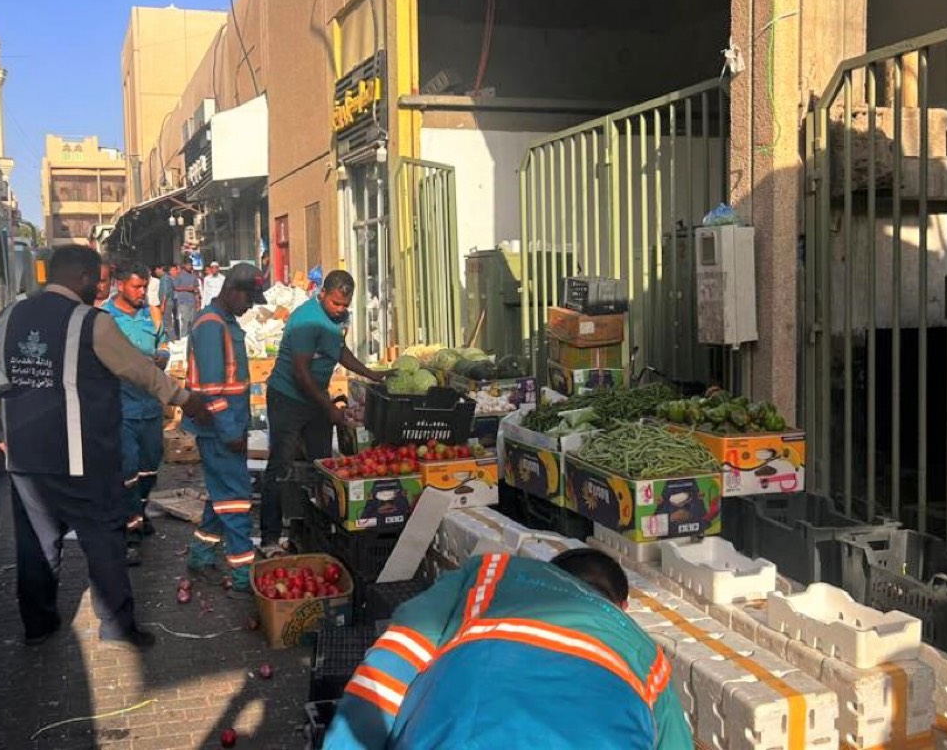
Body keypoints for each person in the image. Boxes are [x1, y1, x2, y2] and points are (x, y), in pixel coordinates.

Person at [0, 245, 211, 651]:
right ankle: (117, 625)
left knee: (36, 545)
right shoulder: (91, 322)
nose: (101, 289)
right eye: (98, 280)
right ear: (84, 278)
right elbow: (139, 369)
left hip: (25, 459)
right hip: (83, 458)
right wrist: (184, 398)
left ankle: (37, 625)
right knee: (104, 539)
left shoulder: (6, 319)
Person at [324, 549, 692, 749]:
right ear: (623, 607)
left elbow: (397, 657)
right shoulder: (647, 656)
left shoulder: (493, 572)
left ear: (549, 572)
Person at [261, 269, 386, 556]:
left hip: (315, 397)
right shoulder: (306, 321)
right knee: (280, 466)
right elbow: (301, 373)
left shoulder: (337, 319)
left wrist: (371, 374)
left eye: (345, 305)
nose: (340, 309)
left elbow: (338, 350)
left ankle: (310, 533)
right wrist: (329, 408)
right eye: (335, 303)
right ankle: (270, 539)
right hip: (288, 398)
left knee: (321, 466)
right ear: (322, 294)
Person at [184, 263, 267, 598]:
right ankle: (243, 573)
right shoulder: (211, 325)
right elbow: (211, 390)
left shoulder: (225, 322)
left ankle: (201, 555)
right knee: (235, 500)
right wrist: (231, 431)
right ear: (232, 290)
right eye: (248, 299)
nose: (250, 306)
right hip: (220, 430)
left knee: (222, 495)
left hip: (229, 426)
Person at [103, 262, 168, 567]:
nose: (142, 292)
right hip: (120, 409)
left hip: (150, 407)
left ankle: (139, 511)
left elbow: (163, 344)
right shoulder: (104, 318)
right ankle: (131, 532)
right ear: (120, 285)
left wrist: (161, 357)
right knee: (127, 469)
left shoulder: (151, 314)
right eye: (136, 286)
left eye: (145, 286)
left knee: (149, 469)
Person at [174, 259, 200, 337]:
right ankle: (183, 340)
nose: (190, 266)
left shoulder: (194, 276)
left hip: (193, 302)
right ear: (184, 265)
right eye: (188, 265)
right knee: (185, 322)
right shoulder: (179, 275)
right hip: (183, 302)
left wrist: (198, 302)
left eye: (191, 265)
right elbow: (176, 287)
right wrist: (188, 289)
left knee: (193, 323)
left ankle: (191, 340)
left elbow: (196, 289)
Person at [160, 263, 178, 340]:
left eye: (175, 270)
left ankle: (172, 339)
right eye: (173, 270)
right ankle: (171, 338)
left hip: (166, 303)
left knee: (167, 322)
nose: (175, 272)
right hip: (169, 302)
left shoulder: (165, 278)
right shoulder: (169, 278)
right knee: (168, 321)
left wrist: (162, 305)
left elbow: (165, 292)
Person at [147, 264, 163, 330]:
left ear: (150, 272)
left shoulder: (157, 281)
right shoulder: (142, 282)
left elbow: (161, 294)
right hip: (147, 307)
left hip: (156, 306)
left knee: (158, 325)